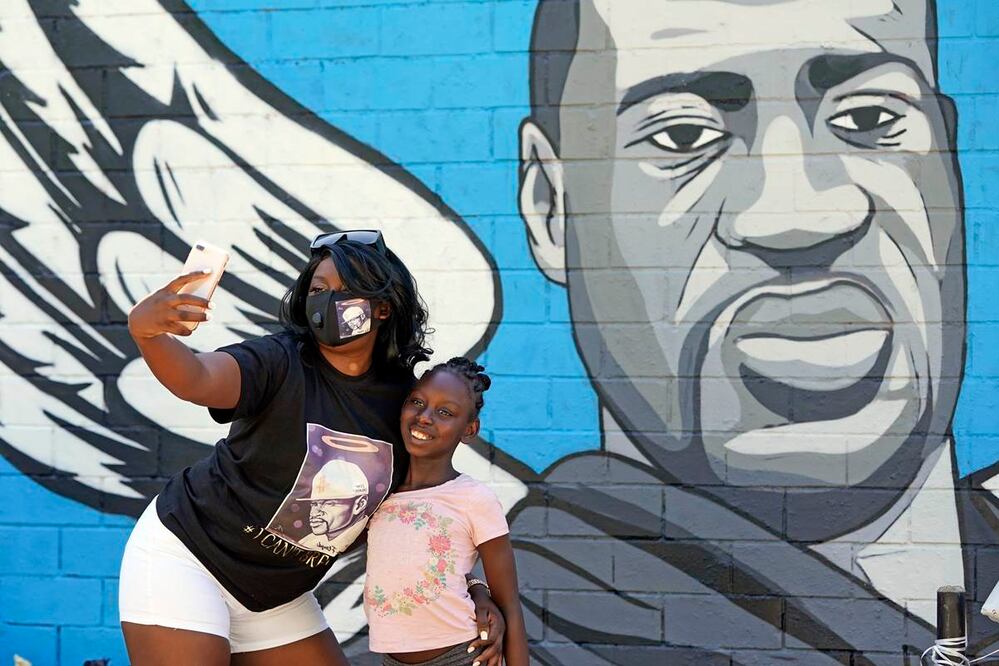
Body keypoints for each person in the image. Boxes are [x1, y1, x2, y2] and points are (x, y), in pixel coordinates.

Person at [511, 0, 999, 662]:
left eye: (868, 119)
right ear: (550, 208)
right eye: (682, 137)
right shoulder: (517, 632)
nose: (798, 217)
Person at [117, 230, 504, 665]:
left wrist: (474, 590)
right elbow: (199, 378)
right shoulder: (279, 361)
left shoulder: (403, 403)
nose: (327, 301)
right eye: (318, 290)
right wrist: (149, 335)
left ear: (382, 308)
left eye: (345, 292)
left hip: (277, 596)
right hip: (188, 558)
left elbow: (423, 513)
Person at [364, 358, 529, 666]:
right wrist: (476, 589)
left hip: (460, 657)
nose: (424, 417)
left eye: (445, 412)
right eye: (417, 402)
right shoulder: (379, 493)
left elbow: (511, 609)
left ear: (469, 429)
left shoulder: (473, 499)